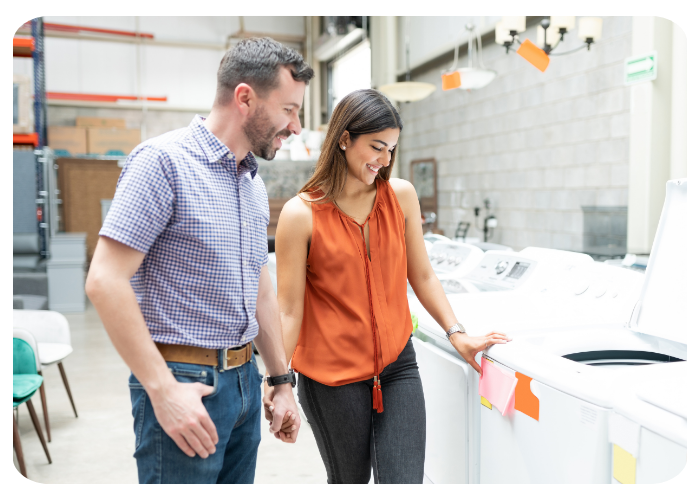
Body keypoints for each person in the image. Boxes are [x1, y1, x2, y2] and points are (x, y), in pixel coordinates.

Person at [86, 37, 313, 485]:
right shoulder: (162, 162)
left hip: (246, 382)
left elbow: (260, 288)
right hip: (185, 380)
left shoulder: (250, 182)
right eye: (289, 109)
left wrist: (281, 380)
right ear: (245, 97)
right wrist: (162, 390)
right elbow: (105, 281)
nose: (297, 126)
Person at [265, 89, 510, 485]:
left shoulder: (401, 197)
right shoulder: (301, 214)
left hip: (397, 367)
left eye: (392, 149)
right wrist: (278, 380)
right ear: (344, 139)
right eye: (376, 147)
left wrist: (456, 333)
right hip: (332, 379)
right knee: (350, 480)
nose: (384, 160)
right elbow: (289, 309)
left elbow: (423, 275)